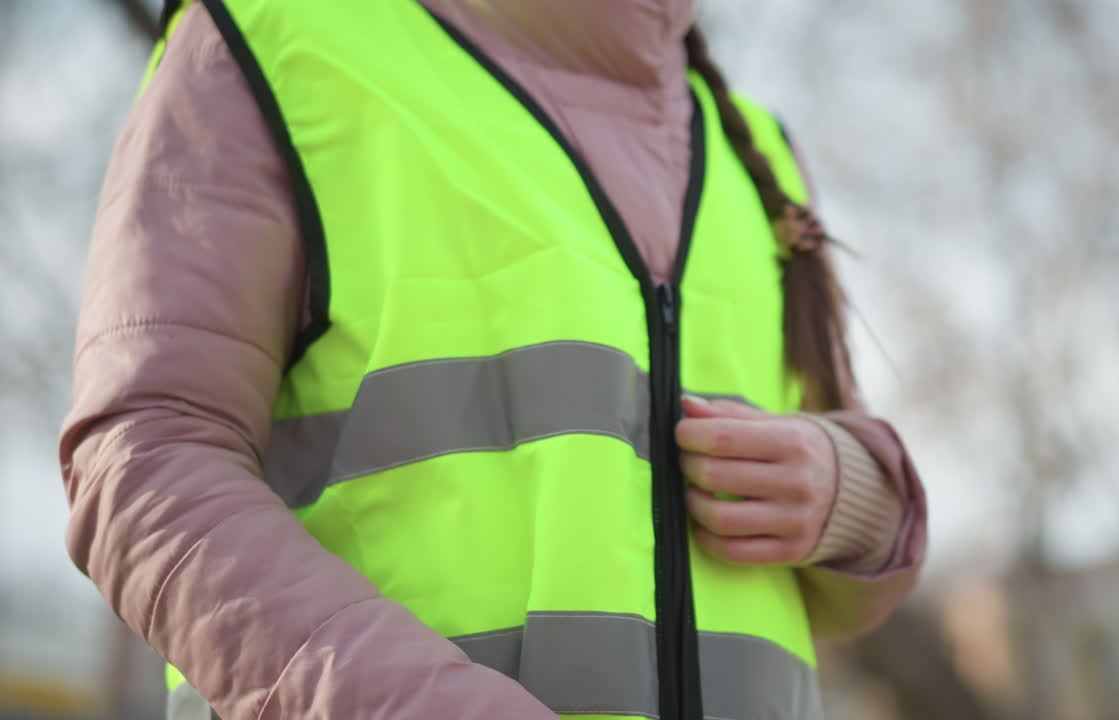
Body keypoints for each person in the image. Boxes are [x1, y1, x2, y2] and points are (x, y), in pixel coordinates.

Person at [59, 0, 927, 718]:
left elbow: (830, 557)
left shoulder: (758, 153)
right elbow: (145, 461)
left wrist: (852, 494)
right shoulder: (272, 43)